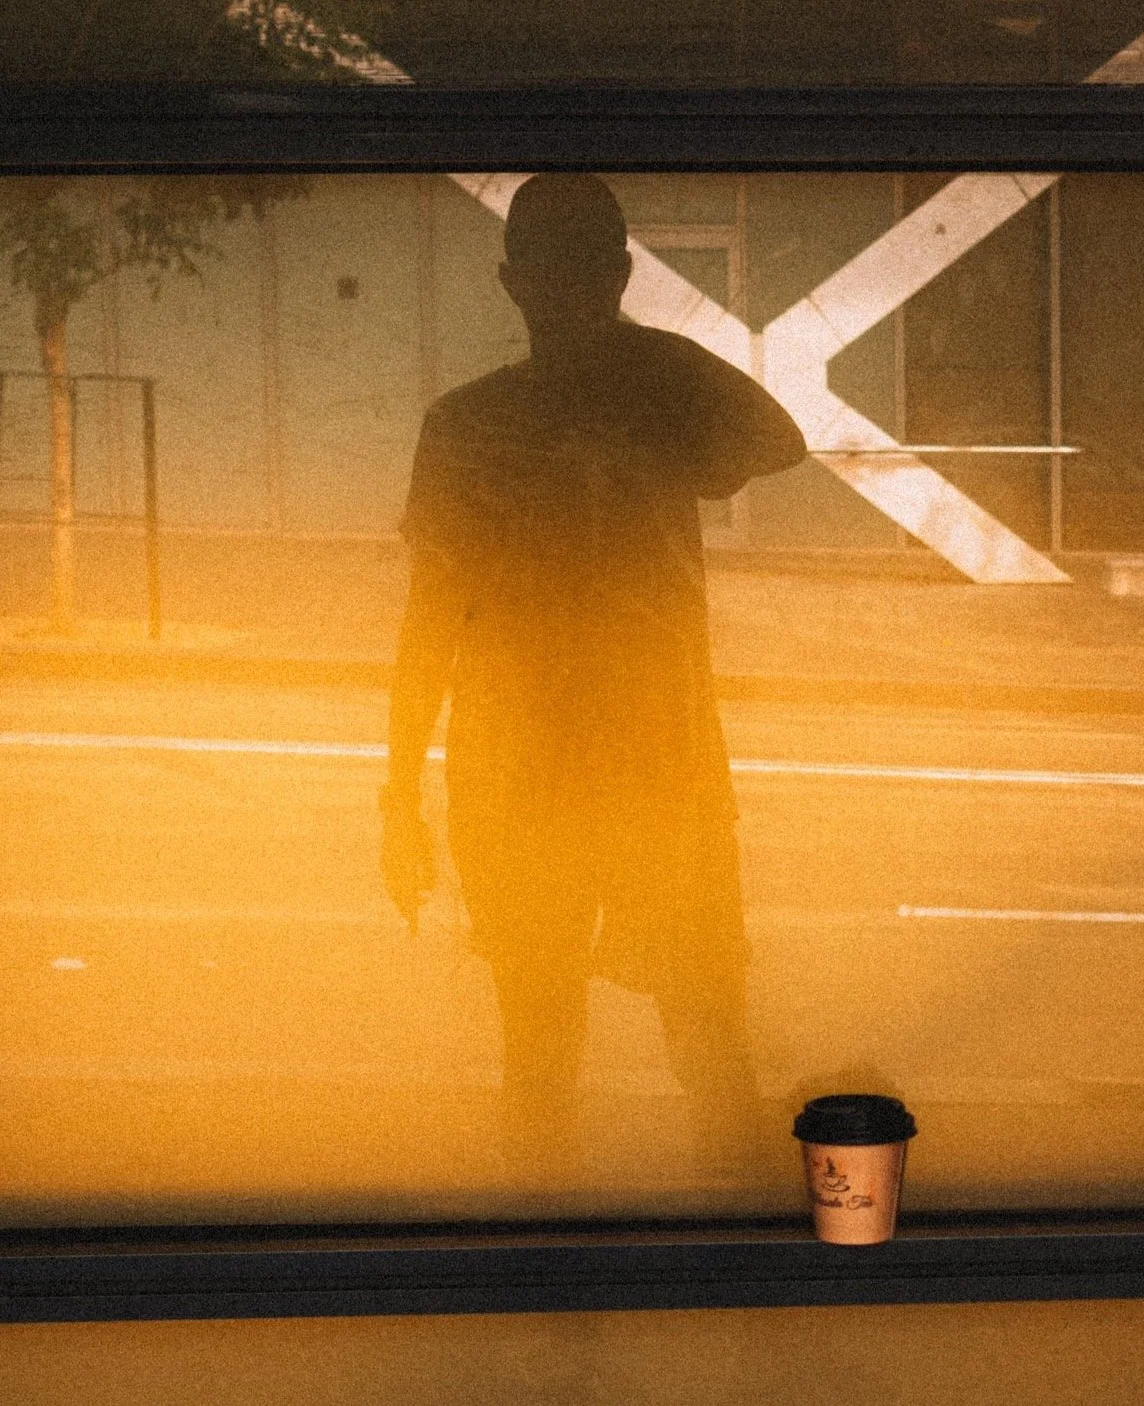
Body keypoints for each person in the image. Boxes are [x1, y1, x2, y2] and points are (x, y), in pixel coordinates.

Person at [378, 174, 807, 1181]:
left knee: (538, 1052)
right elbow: (776, 438)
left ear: (508, 283)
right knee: (707, 1039)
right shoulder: (663, 392)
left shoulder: (464, 425)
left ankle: (551, 1279)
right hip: (659, 769)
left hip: (513, 773)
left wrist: (399, 790)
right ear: (621, 274)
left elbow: (426, 627)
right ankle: (746, 1282)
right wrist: (633, 353)